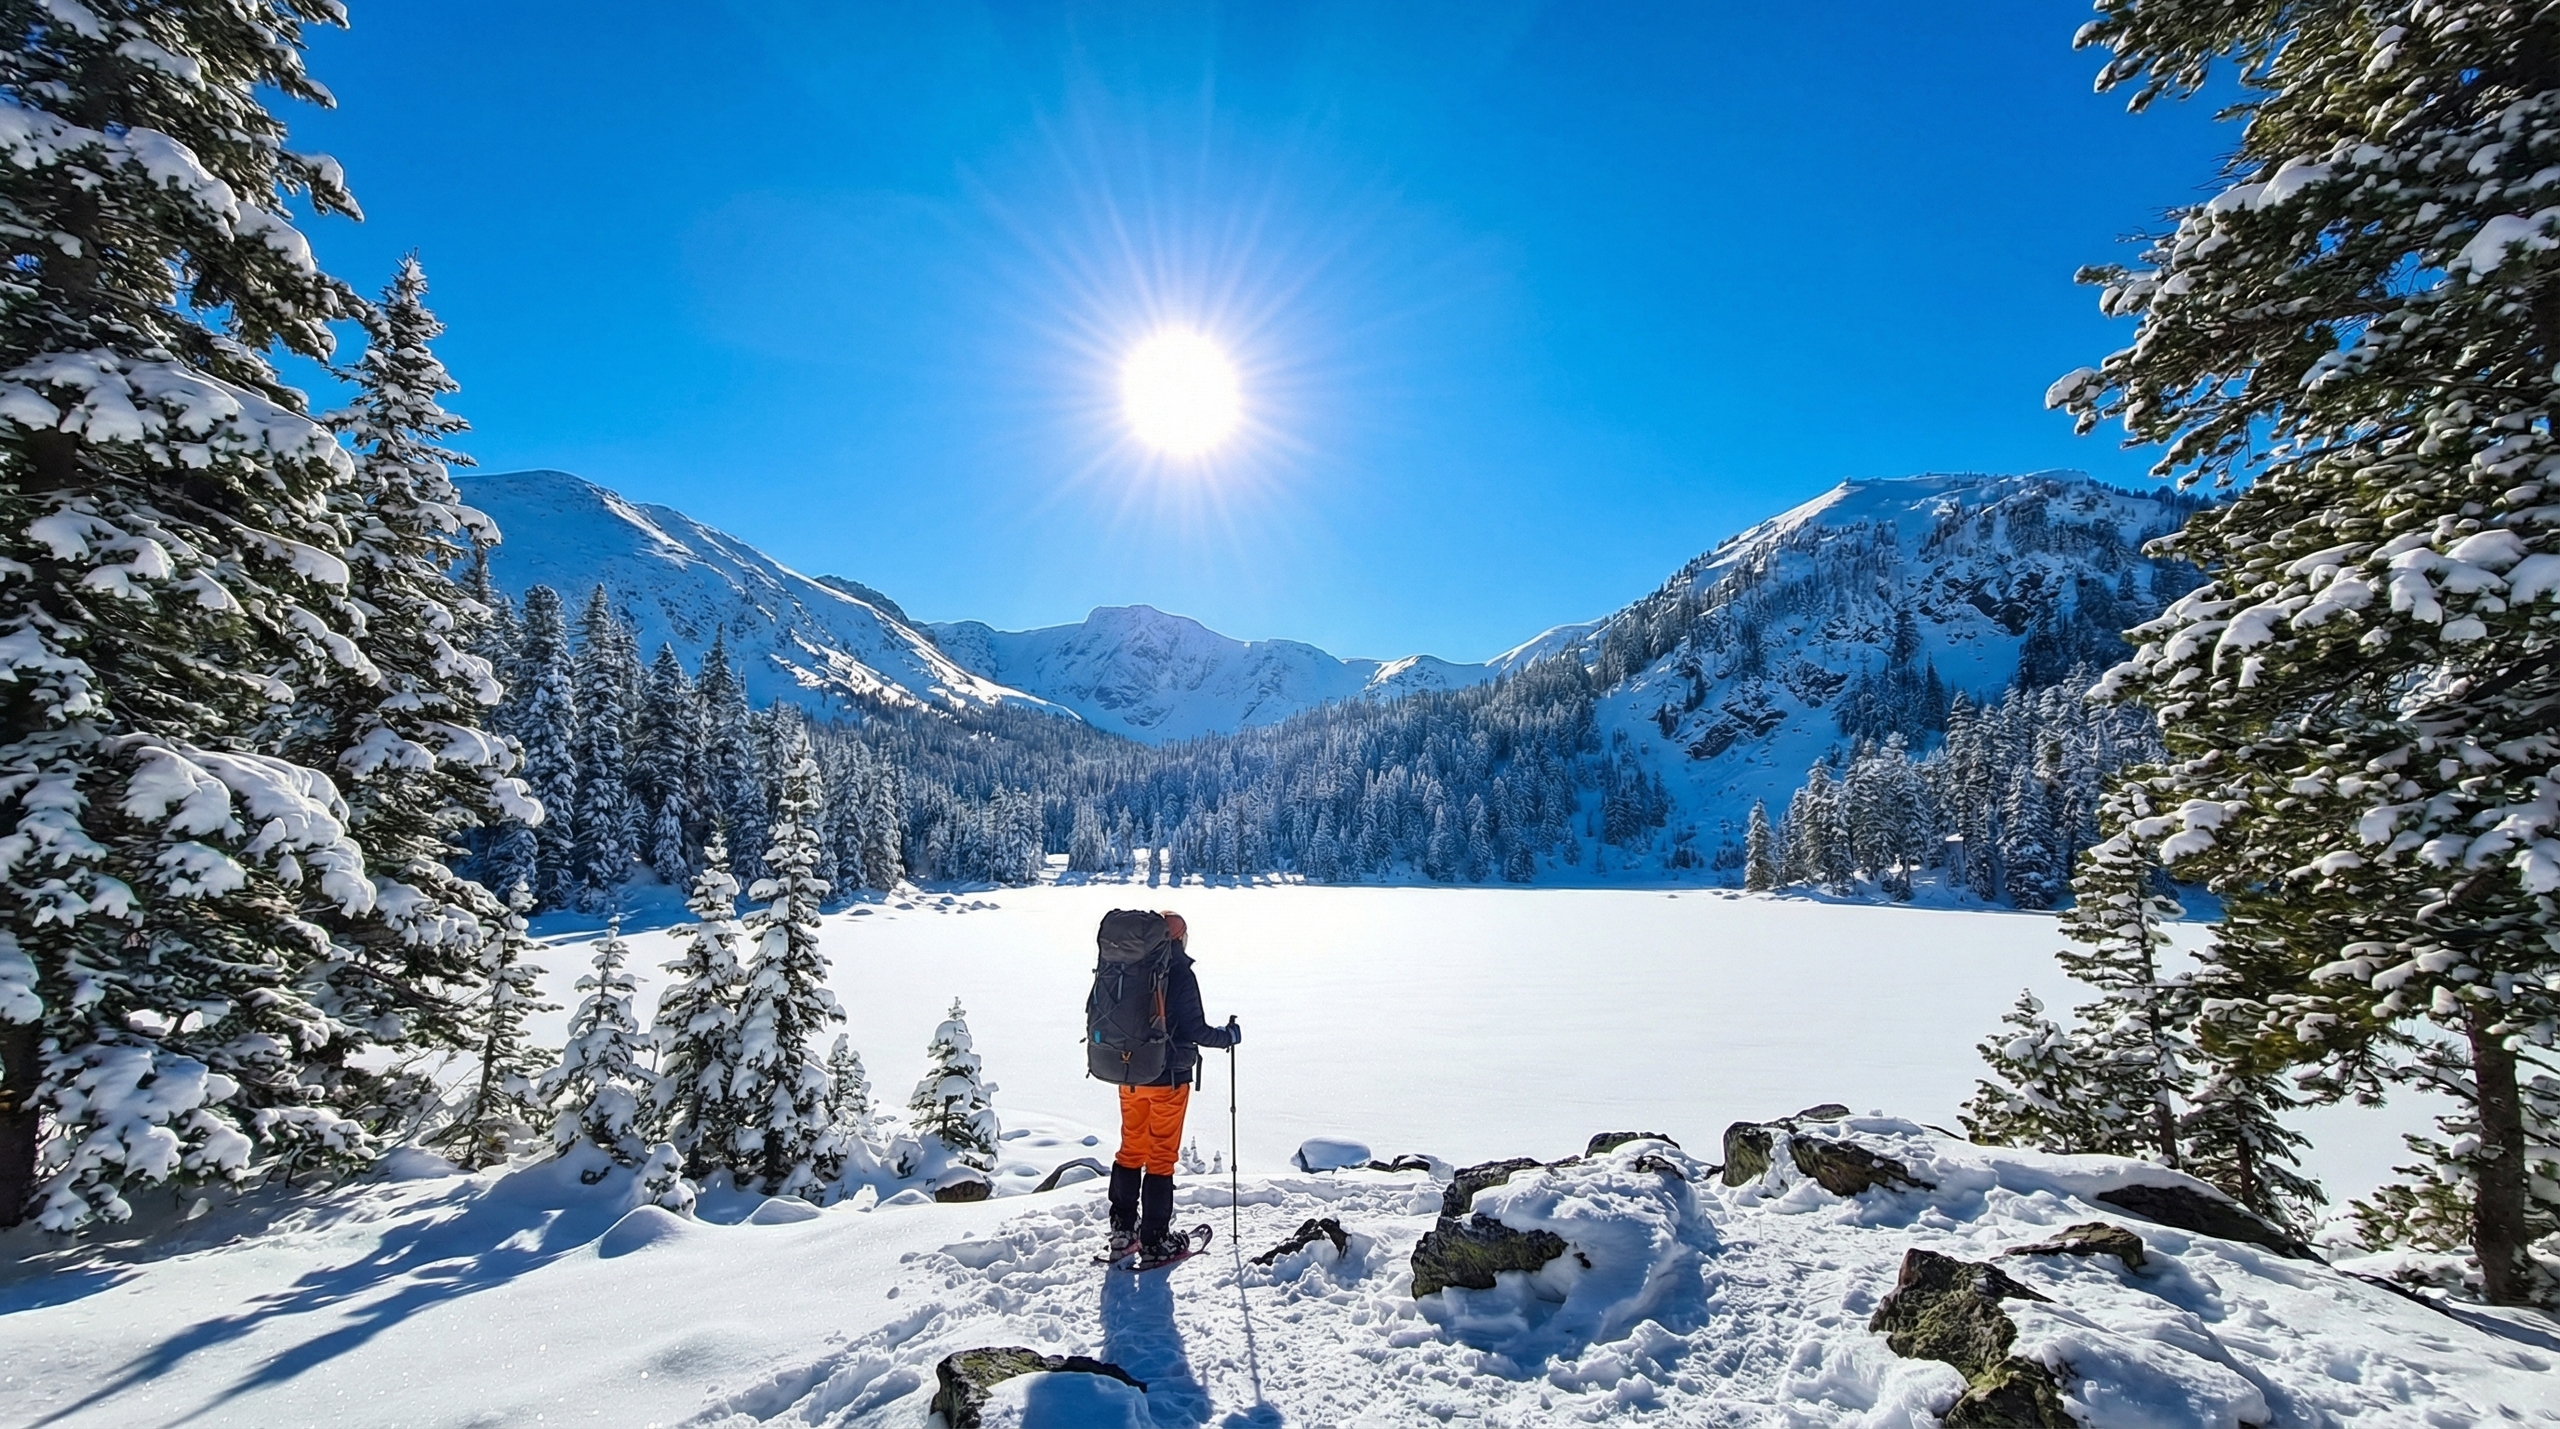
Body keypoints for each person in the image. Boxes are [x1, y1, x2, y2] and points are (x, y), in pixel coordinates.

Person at [1108, 910, 1239, 1263]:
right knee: (1161, 1156)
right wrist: (1227, 1037)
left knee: (1131, 1150)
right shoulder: (1180, 973)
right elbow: (1196, 1030)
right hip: (1167, 1078)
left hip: (1129, 1076)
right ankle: (1155, 1239)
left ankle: (1122, 1232)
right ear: (1179, 938)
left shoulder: (1128, 967)